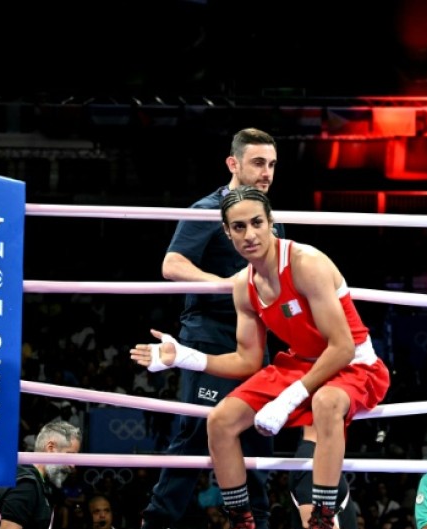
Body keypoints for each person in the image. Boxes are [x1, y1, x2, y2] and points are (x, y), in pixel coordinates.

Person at [131, 185, 391, 529]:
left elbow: (341, 347)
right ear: (227, 232)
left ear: (271, 223)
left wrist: (289, 398)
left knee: (326, 402)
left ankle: (322, 518)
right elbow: (248, 361)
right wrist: (184, 357)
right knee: (220, 422)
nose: (250, 234)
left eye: (257, 223)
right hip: (300, 364)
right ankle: (242, 521)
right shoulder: (244, 284)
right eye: (239, 227)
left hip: (352, 363)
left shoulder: (306, 264)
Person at [139, 127, 280, 529]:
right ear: (233, 164)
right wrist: (230, 287)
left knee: (256, 432)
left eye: (271, 164)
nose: (266, 172)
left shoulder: (269, 222)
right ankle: (158, 521)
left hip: (256, 340)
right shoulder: (210, 209)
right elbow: (173, 265)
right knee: (196, 430)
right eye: (258, 162)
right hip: (210, 335)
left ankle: (256, 522)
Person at [0, 419, 82, 529]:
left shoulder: (42, 484)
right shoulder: (26, 486)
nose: (73, 465)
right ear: (51, 448)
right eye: (70, 456)